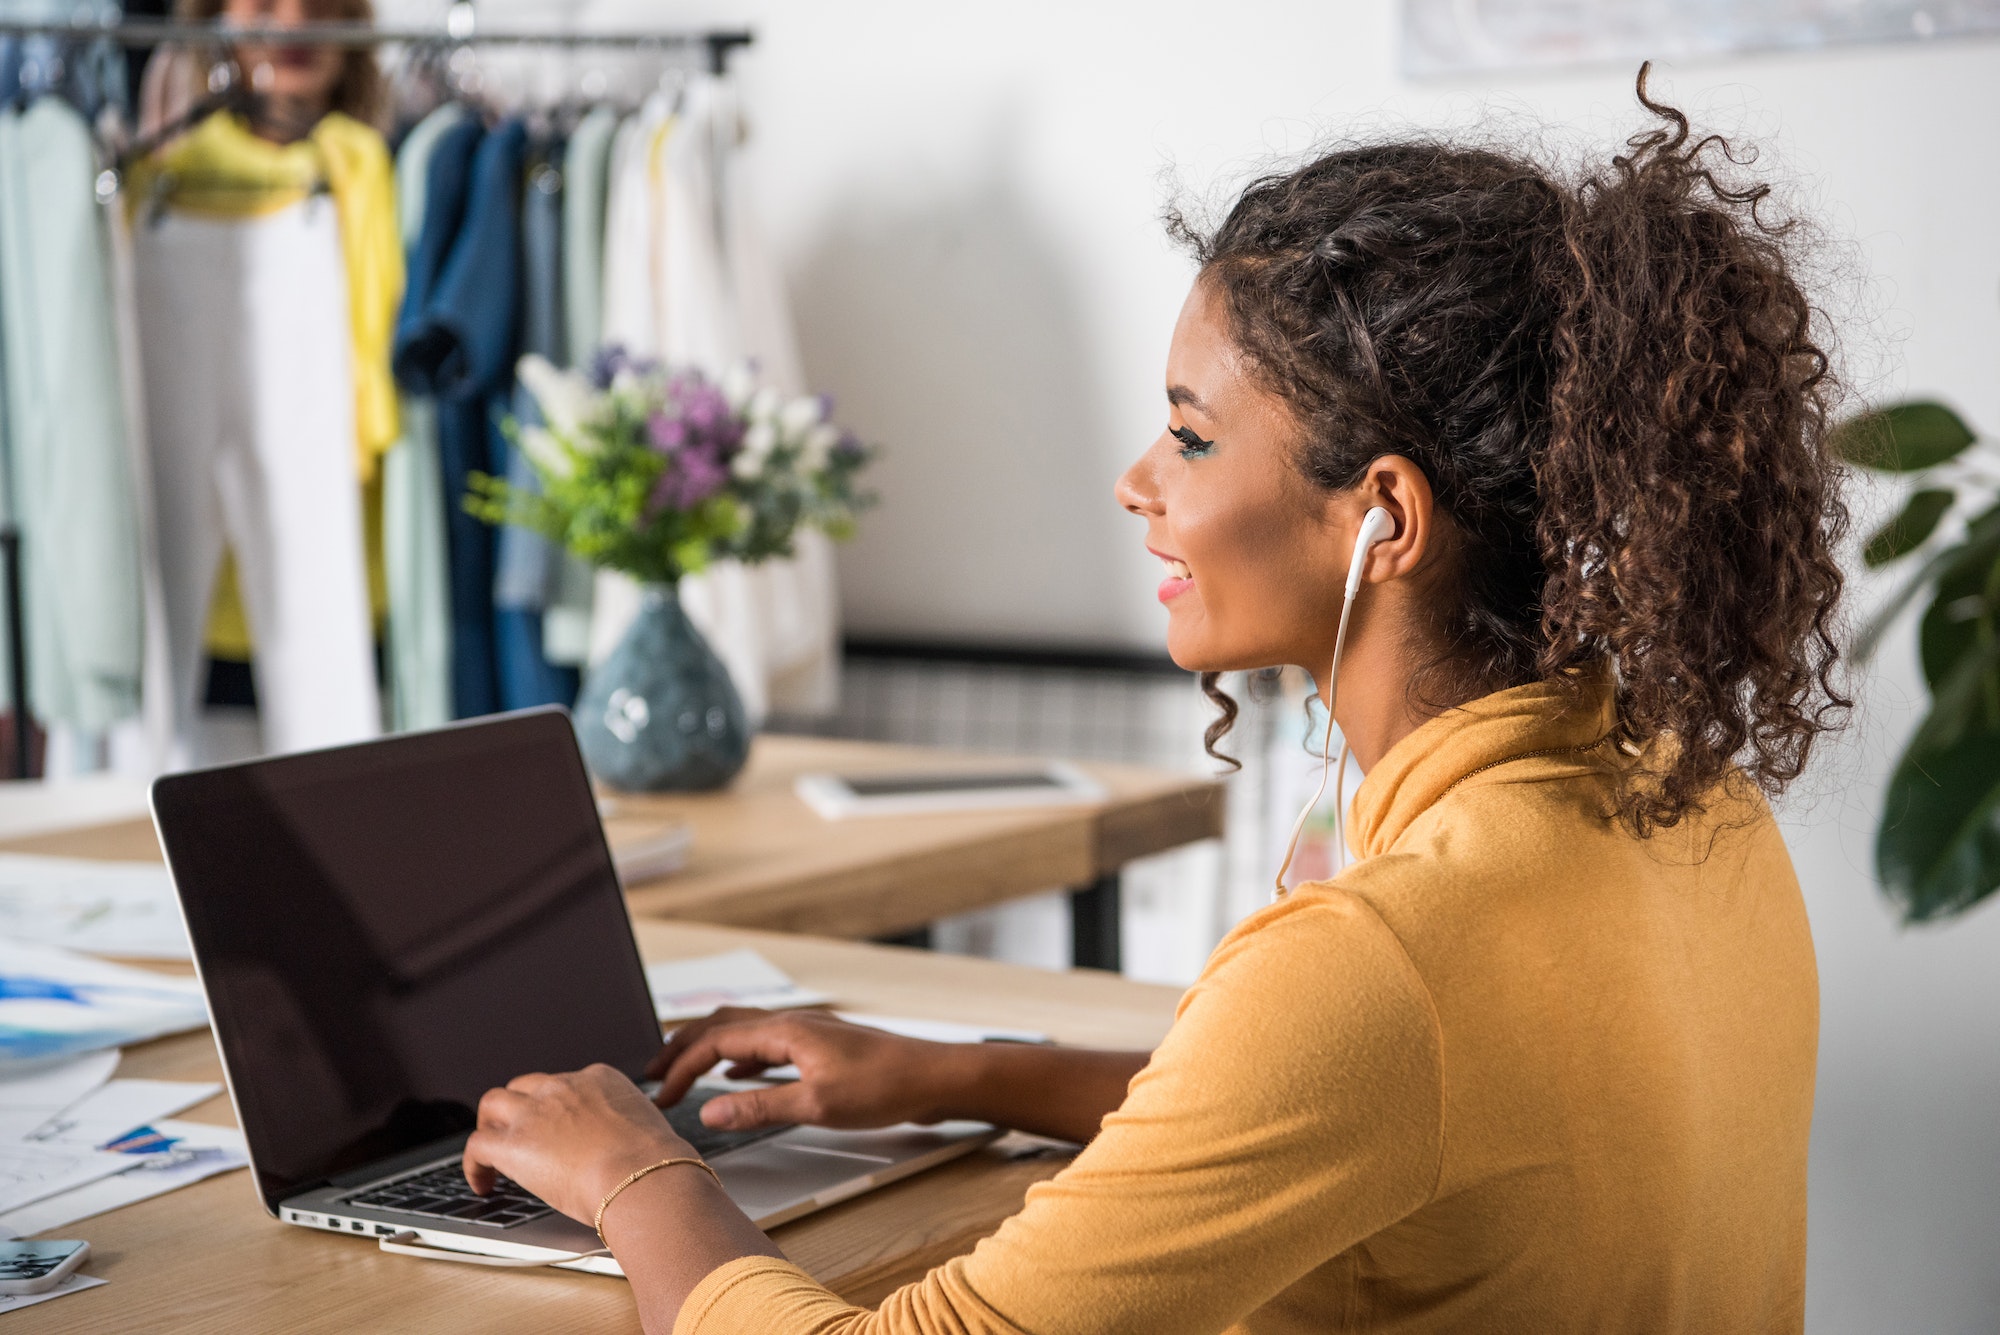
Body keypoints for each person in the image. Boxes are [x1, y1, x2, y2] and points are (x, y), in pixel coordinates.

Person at [459, 69, 1847, 1335]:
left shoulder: (1382, 967)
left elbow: (1352, 1056)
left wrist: (635, 1171)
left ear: (1384, 519)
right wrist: (962, 1071)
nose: (1140, 479)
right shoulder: (1694, 805)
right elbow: (1365, 1106)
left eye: (1190, 435)